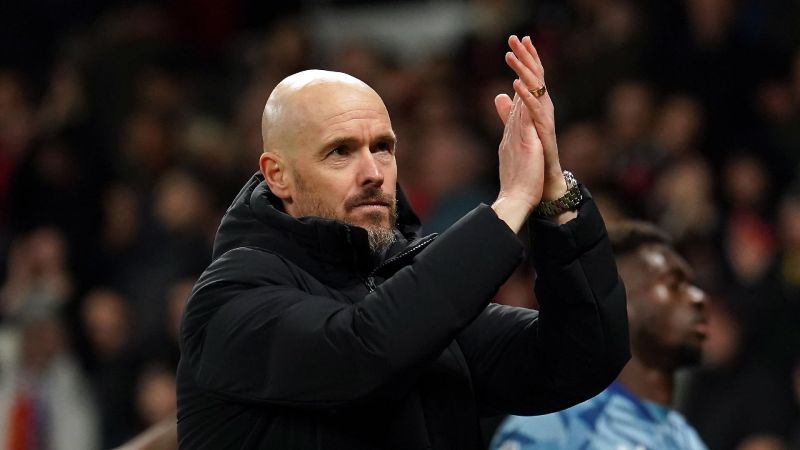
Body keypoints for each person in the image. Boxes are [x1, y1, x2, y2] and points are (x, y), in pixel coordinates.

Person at [176, 35, 630, 450]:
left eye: (382, 147)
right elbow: (361, 354)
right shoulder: (228, 298)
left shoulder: (411, 293)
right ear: (278, 175)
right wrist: (510, 204)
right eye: (340, 151)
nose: (373, 173)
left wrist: (554, 191)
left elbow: (581, 358)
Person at [491, 221, 709, 450]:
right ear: (616, 303)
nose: (699, 297)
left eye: (692, 284)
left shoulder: (686, 439)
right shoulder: (554, 427)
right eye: (674, 284)